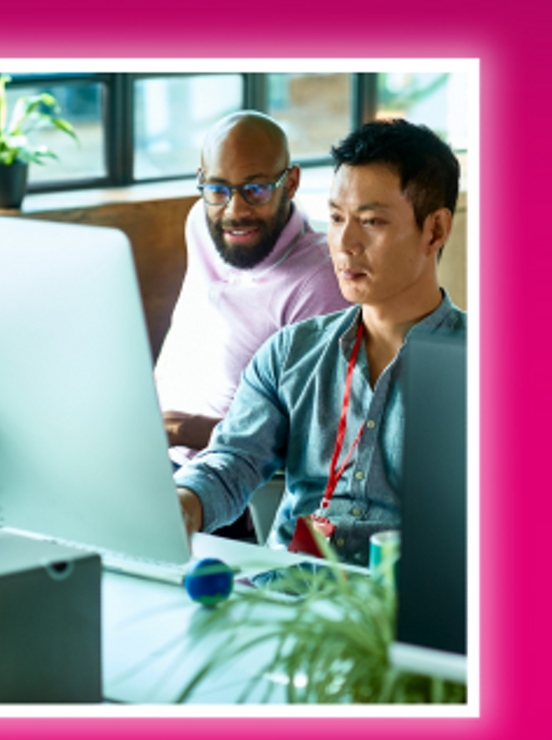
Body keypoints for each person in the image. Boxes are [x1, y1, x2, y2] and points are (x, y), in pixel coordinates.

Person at [174, 119, 465, 566]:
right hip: (288, 593)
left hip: (403, 612)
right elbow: (234, 459)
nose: (345, 243)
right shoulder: (290, 352)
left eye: (371, 221)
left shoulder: (482, 367)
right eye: (335, 218)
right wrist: (186, 501)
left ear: (436, 230)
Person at [153, 111, 349, 467]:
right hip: (154, 450)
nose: (234, 211)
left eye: (255, 189)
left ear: (290, 183)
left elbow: (312, 438)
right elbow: (184, 336)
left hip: (227, 480)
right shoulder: (201, 221)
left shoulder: (320, 281)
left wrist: (179, 429)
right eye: (218, 189)